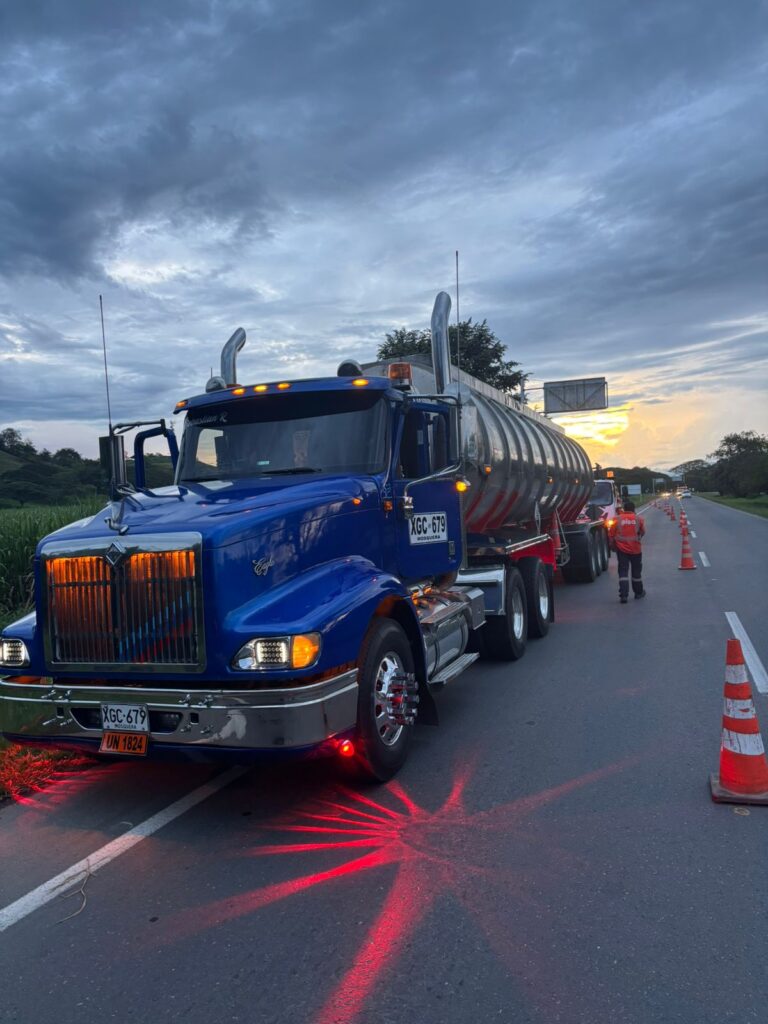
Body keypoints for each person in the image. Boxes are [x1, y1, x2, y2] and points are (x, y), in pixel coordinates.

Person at [608, 499, 646, 603]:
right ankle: (638, 593)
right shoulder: (639, 519)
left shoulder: (617, 519)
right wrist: (637, 538)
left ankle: (624, 595)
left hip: (622, 550)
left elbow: (611, 534)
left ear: (624, 509)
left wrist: (612, 546)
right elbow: (642, 532)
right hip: (636, 550)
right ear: (634, 509)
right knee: (636, 572)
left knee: (623, 572)